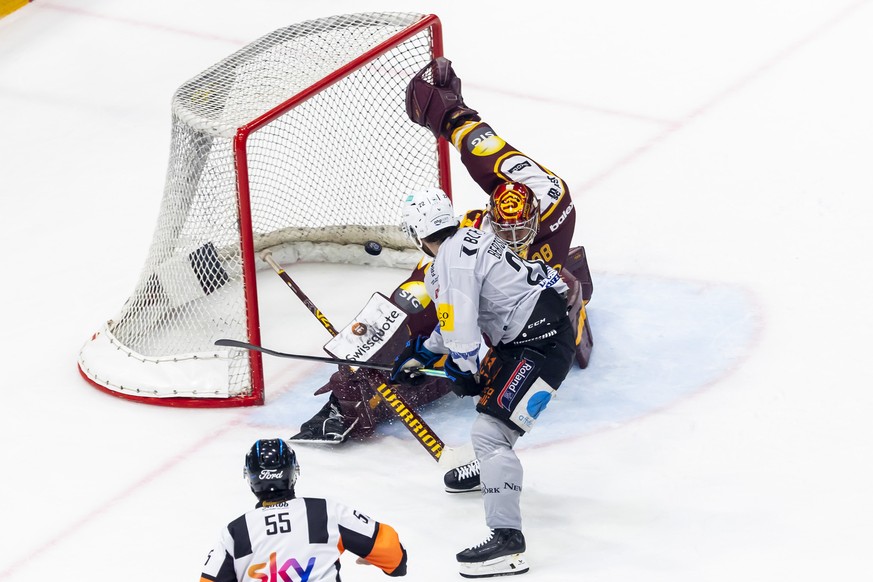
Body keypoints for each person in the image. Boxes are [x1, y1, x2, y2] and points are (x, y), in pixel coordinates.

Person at [290, 57, 593, 455]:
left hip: (528, 306)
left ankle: (569, 299)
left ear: (538, 213)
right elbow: (480, 141)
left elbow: (463, 333)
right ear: (490, 215)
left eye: (523, 231)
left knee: (487, 341)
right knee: (414, 302)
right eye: (505, 231)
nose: (514, 238)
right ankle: (349, 393)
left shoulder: (550, 192)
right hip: (502, 280)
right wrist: (449, 112)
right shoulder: (471, 240)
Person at [389, 186, 575, 578]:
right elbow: (460, 319)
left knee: (491, 433)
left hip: (540, 346)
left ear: (417, 233)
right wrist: (424, 351)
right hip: (533, 335)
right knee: (490, 412)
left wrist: (463, 367)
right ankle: (492, 473)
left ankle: (508, 542)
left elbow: (463, 334)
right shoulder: (468, 240)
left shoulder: (449, 264)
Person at [199, 439, 408, 582]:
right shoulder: (326, 512)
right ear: (294, 472)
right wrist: (383, 558)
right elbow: (394, 557)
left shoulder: (235, 533)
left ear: (250, 478)